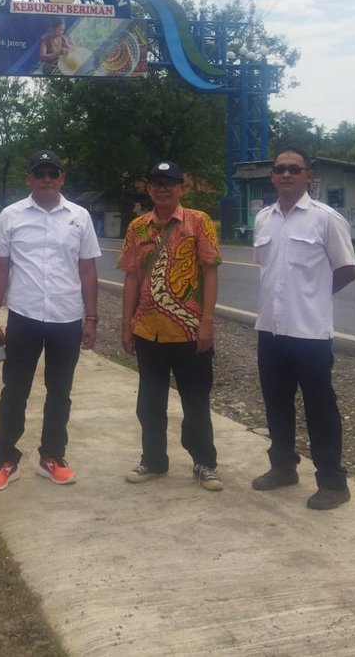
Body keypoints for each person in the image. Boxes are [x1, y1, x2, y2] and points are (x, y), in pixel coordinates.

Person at [0, 149, 101, 492]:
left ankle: (52, 456)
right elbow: (0, 267)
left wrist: (90, 318)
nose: (47, 179)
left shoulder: (79, 217)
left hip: (66, 318)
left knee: (60, 392)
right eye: (40, 174)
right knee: (15, 390)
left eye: (53, 173)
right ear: (29, 179)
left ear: (62, 178)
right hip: (24, 317)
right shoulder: (11, 216)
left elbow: (88, 269)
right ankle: (5, 457)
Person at [251, 147, 355, 510]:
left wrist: (313, 297)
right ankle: (283, 468)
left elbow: (346, 270)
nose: (285, 174)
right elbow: (267, 271)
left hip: (310, 333)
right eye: (279, 169)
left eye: (294, 169)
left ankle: (332, 483)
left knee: (320, 409)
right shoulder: (264, 219)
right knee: (276, 404)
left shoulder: (326, 219)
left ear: (308, 175)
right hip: (270, 330)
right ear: (272, 176)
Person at [119, 160, 223, 491]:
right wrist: (126, 324)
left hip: (190, 331)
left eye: (170, 183)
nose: (163, 188)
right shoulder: (137, 227)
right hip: (148, 330)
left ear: (182, 188)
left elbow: (210, 272)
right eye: (156, 183)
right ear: (148, 188)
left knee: (195, 401)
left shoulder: (199, 222)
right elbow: (132, 277)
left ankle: (204, 462)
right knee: (149, 402)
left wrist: (207, 322)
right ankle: (153, 460)